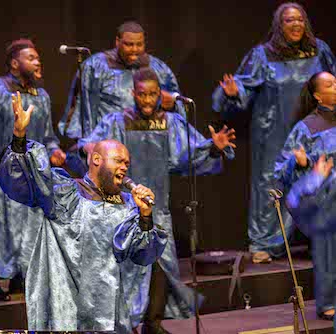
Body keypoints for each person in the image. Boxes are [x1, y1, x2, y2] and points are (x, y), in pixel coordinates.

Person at [72, 67, 236, 333]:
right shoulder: (117, 121)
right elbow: (92, 147)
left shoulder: (170, 122)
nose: (147, 101)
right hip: (119, 208)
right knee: (126, 270)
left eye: (152, 95)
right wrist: (88, 148)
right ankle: (123, 325)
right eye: (141, 95)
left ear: (159, 94)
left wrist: (212, 147)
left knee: (160, 265)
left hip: (155, 209)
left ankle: (153, 323)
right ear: (132, 93)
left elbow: (188, 156)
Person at [0, 90, 167, 333]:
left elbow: (143, 254)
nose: (124, 166)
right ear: (96, 160)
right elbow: (25, 180)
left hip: (111, 316)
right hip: (68, 310)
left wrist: (145, 216)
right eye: (118, 160)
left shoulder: (129, 204)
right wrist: (19, 136)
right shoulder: (66, 193)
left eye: (127, 163)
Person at [212, 2, 336, 264]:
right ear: (279, 25)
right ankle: (264, 244)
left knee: (319, 178)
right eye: (289, 20)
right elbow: (244, 87)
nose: (296, 25)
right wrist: (235, 93)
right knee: (271, 183)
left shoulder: (319, 50)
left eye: (300, 20)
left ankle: (321, 240)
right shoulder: (263, 55)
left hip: (314, 129)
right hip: (273, 130)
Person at [0, 39, 66, 300]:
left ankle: (21, 278)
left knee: (28, 226)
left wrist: (54, 150)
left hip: (29, 173)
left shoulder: (41, 97)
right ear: (14, 63)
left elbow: (48, 135)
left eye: (38, 57)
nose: (38, 62)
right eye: (31, 58)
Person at [59, 20, 186, 144]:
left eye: (139, 44)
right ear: (117, 42)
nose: (134, 50)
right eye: (129, 44)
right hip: (109, 143)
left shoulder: (158, 69)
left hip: (150, 143)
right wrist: (89, 146)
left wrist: (173, 105)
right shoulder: (95, 67)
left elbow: (180, 109)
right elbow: (83, 110)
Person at [275, 71, 336, 320]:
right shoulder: (307, 127)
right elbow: (281, 166)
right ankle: (328, 302)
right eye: (331, 84)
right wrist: (300, 163)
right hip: (325, 199)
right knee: (328, 251)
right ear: (318, 95)